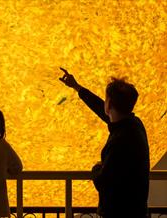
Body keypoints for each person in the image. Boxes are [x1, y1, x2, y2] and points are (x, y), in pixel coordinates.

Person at [59, 68, 150, 218]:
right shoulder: (133, 125)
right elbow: (101, 109)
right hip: (136, 210)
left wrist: (96, 168)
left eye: (106, 99)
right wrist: (77, 87)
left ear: (109, 105)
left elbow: (104, 182)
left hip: (119, 213)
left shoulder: (120, 139)